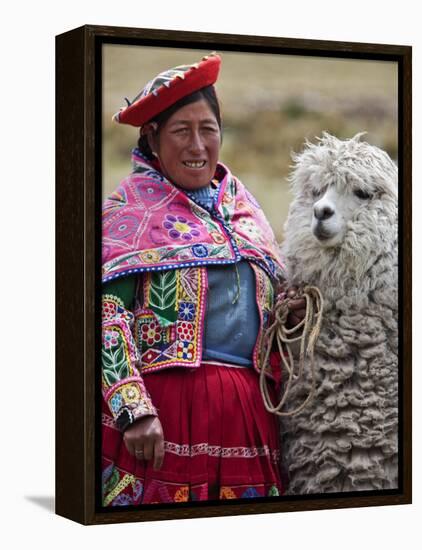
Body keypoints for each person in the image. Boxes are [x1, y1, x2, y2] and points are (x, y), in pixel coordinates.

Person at [101, 53, 304, 506]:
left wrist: (285, 311)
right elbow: (104, 317)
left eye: (208, 129)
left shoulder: (244, 209)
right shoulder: (127, 214)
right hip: (165, 416)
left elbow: (263, 309)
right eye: (181, 131)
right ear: (152, 138)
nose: (197, 145)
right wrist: (132, 410)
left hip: (248, 417)